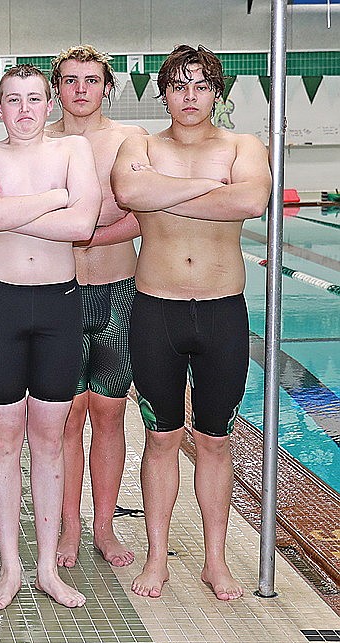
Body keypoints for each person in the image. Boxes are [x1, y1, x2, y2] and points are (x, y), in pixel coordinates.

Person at [111, 45, 270, 601]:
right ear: (164, 94)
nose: (190, 96)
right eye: (179, 86)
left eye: (201, 85)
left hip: (223, 312)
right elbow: (130, 192)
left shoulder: (244, 146)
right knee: (159, 438)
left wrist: (173, 190)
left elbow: (251, 200)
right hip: (157, 311)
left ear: (217, 93)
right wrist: (210, 187)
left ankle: (215, 561)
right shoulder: (140, 146)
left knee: (215, 442)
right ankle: (157, 558)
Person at [0, 64, 100, 609]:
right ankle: (11, 568)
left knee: (48, 439)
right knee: (3, 438)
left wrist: (8, 215)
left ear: (50, 105)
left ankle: (46, 567)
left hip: (58, 308)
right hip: (0, 305)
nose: (25, 110)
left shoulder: (73, 152)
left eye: (35, 99)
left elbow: (82, 226)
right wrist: (52, 199)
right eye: (13, 100)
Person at [45, 45, 147, 569]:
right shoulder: (39, 141)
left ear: (107, 86)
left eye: (90, 80)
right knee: (65, 417)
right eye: (69, 80)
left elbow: (146, 213)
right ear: (56, 87)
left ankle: (103, 528)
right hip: (57, 294)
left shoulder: (131, 141)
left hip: (116, 288)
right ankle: (68, 528)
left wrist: (90, 235)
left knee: (109, 414)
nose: (80, 89)